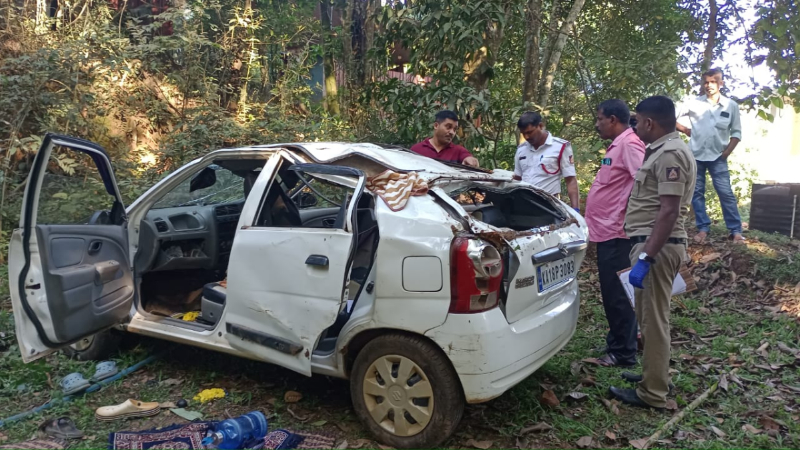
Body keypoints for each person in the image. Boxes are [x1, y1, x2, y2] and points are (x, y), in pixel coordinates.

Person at [608, 96, 696, 409]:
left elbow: (669, 211)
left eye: (637, 120)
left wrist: (646, 256)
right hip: (652, 243)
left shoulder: (670, 153)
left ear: (649, 123)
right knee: (650, 318)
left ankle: (653, 393)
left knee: (654, 320)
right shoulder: (662, 150)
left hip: (656, 246)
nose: (634, 126)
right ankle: (653, 375)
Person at [585, 99, 646, 367]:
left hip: (618, 233)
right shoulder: (617, 145)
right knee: (613, 293)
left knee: (617, 294)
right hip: (605, 231)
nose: (597, 124)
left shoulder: (630, 145)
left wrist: (632, 221)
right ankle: (622, 341)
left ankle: (623, 352)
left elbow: (645, 183)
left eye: (600, 119)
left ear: (612, 119)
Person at [676, 68, 744, 244]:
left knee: (725, 192)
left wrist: (726, 153)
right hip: (695, 156)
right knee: (696, 193)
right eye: (706, 82)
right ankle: (703, 228)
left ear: (721, 83)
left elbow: (736, 133)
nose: (709, 85)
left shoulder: (731, 105)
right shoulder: (693, 103)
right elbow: (671, 115)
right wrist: (685, 130)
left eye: (713, 81)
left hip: (717, 158)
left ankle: (735, 230)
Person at [513, 111, 580, 211]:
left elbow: (570, 180)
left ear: (540, 126)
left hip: (549, 206)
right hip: (524, 204)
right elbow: (517, 179)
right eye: (523, 134)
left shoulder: (560, 147)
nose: (526, 137)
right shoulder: (521, 150)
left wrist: (576, 209)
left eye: (529, 132)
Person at [410, 110, 479, 167]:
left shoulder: (458, 151)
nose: (452, 132)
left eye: (455, 129)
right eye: (448, 127)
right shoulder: (416, 150)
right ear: (436, 125)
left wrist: (471, 161)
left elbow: (468, 158)